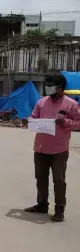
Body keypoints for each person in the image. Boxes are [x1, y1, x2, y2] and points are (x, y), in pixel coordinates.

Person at [24, 75, 80, 222]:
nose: (47, 88)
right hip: (41, 147)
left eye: (50, 85)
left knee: (59, 180)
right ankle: (42, 205)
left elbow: (79, 122)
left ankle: (59, 209)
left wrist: (66, 122)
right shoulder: (42, 102)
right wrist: (29, 120)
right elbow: (34, 116)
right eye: (46, 85)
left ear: (60, 88)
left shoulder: (70, 104)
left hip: (59, 150)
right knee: (40, 178)